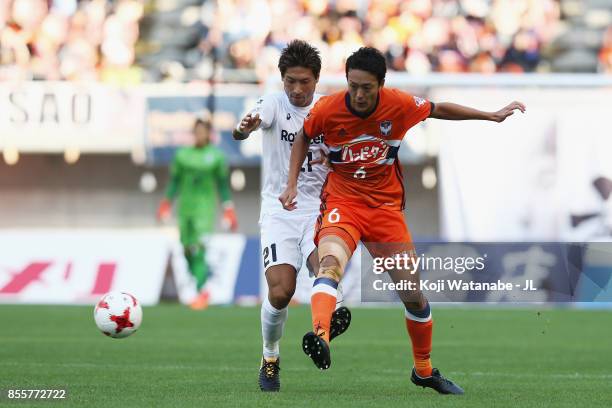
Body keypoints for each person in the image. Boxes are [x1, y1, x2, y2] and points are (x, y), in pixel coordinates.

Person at [279, 46, 526, 395]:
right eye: (353, 86)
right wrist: (291, 183)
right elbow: (303, 136)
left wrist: (490, 115)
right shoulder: (328, 109)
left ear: (381, 83)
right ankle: (321, 335)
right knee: (330, 263)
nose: (359, 94)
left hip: (384, 211)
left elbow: (440, 110)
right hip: (343, 204)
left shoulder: (400, 104)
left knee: (413, 295)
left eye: (367, 87)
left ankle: (423, 371)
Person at [233, 39, 352, 392]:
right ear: (282, 79)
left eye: (304, 82)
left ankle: (325, 328)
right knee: (282, 292)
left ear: (316, 80)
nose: (297, 90)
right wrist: (246, 126)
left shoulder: (329, 110)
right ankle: (270, 356)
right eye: (290, 82)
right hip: (280, 211)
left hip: (319, 209)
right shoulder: (272, 104)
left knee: (326, 272)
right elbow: (248, 125)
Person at [158, 115, 238, 310]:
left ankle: (202, 292)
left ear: (209, 134)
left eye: (203, 131)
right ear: (194, 133)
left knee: (199, 249)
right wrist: (166, 203)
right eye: (197, 131)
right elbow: (175, 181)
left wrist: (228, 209)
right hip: (185, 210)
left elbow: (222, 185)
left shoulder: (216, 157)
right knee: (186, 250)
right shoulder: (182, 155)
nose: (200, 134)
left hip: (204, 209)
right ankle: (200, 288)